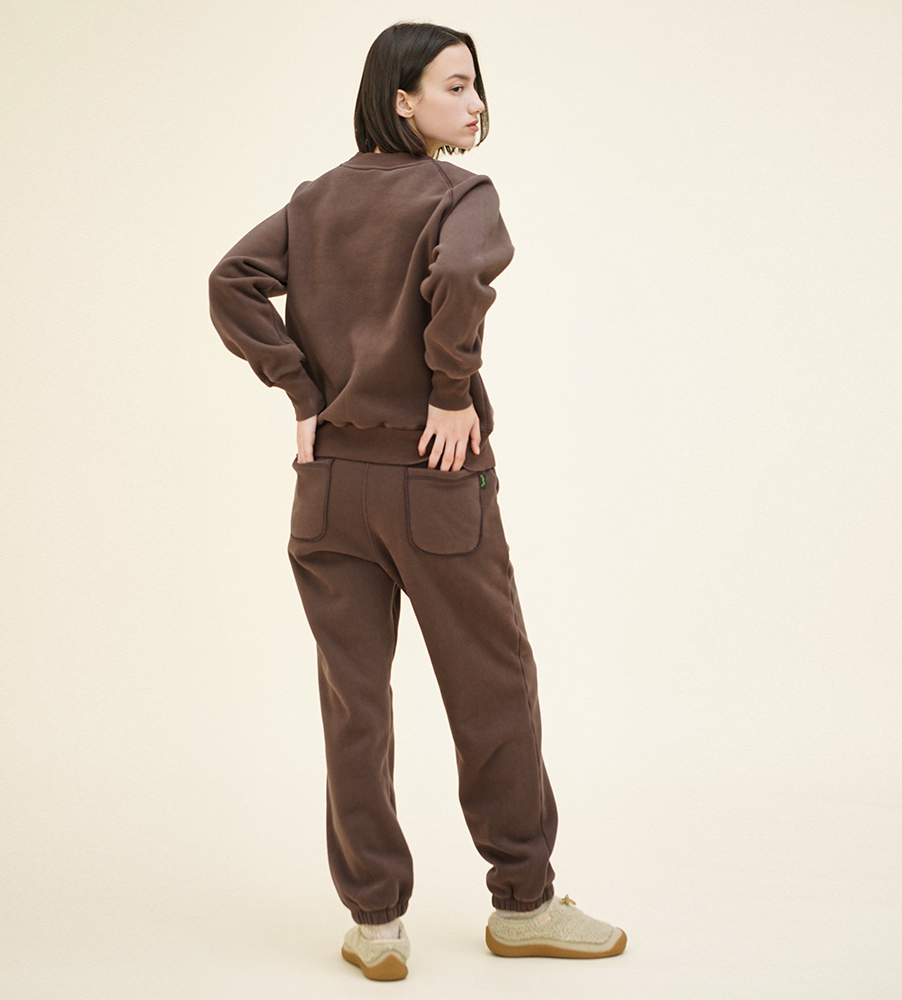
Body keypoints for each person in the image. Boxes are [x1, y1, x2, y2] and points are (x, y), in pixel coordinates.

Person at [208, 21, 626, 982]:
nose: (475, 103)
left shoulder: (313, 201)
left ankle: (375, 922)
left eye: (476, 86)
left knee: (355, 704)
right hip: (434, 480)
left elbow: (232, 282)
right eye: (455, 85)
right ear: (402, 99)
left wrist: (302, 394)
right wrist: (448, 390)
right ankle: (523, 904)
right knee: (492, 689)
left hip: (328, 489)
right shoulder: (460, 195)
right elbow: (462, 276)